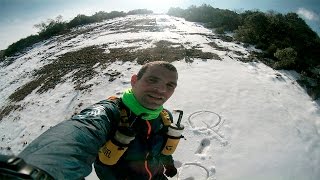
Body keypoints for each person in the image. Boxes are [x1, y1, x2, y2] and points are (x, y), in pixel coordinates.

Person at [17, 61, 180, 180]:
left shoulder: (165, 117)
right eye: (152, 80)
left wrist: (169, 164)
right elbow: (80, 131)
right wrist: (38, 168)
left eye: (170, 85)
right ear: (134, 81)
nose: (161, 90)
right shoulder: (110, 112)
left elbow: (164, 149)